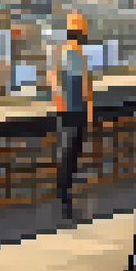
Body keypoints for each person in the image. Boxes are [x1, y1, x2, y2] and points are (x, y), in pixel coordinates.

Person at [47, 12, 94, 221]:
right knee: (70, 155)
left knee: (66, 154)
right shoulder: (78, 55)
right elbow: (86, 89)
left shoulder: (62, 53)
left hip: (67, 110)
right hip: (75, 110)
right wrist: (89, 112)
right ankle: (64, 197)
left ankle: (63, 196)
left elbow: (53, 80)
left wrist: (59, 97)